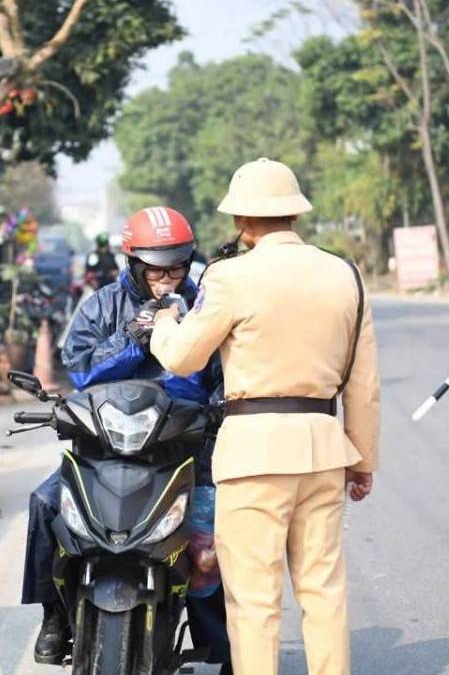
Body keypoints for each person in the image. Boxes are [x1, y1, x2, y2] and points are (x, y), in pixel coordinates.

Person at [150, 158, 381, 675]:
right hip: (323, 449)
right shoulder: (346, 275)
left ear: (241, 222)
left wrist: (164, 323)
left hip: (252, 455)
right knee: (323, 592)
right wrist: (362, 460)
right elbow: (364, 383)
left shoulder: (229, 276)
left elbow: (183, 357)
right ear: (294, 216)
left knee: (254, 603)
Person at [24, 206, 232, 672]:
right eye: (157, 269)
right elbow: (78, 369)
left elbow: (223, 373)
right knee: (44, 505)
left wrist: (217, 404)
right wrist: (132, 337)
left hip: (184, 451)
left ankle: (219, 639)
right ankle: (53, 615)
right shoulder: (100, 307)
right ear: (134, 264)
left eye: (177, 267)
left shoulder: (204, 307)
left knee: (212, 540)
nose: (168, 279)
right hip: (104, 453)